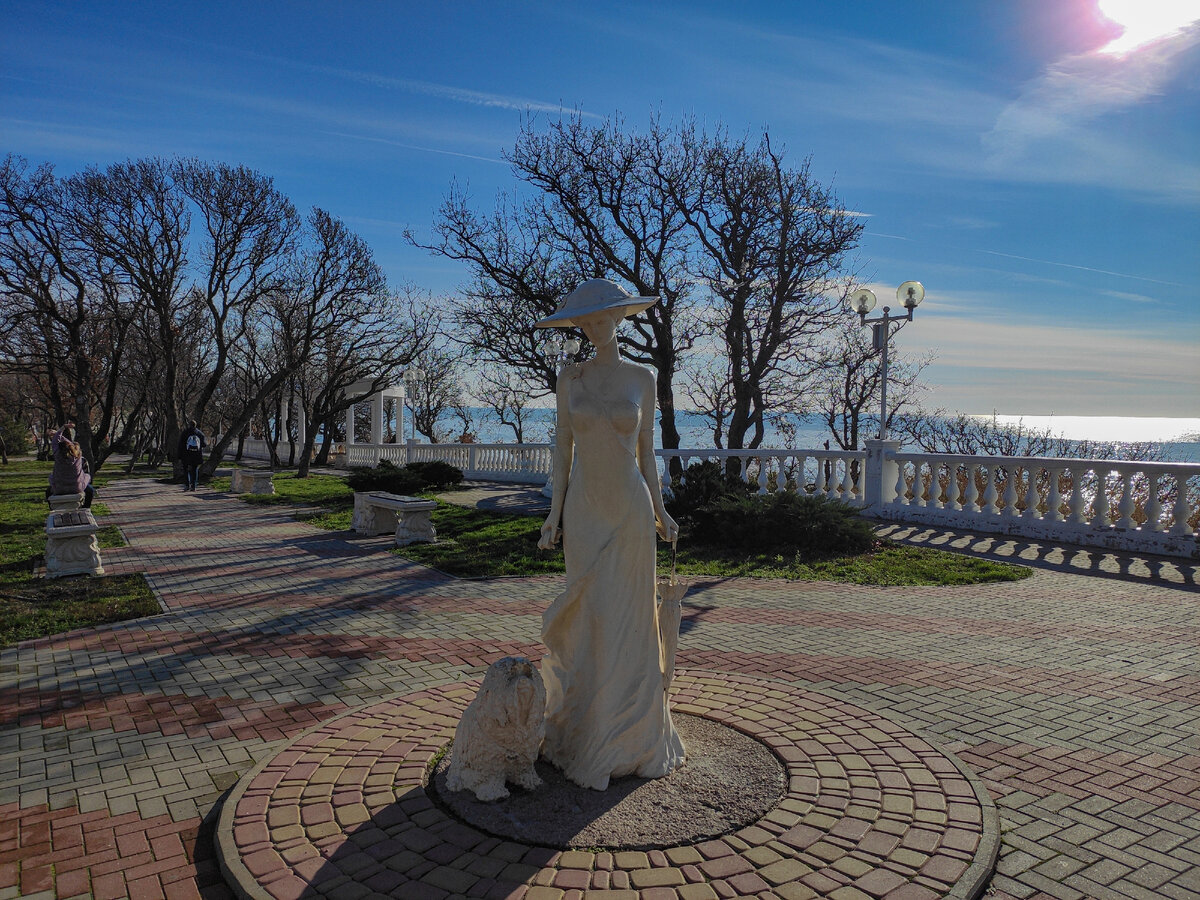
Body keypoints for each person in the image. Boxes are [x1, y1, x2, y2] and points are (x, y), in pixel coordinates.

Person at [535, 279, 684, 791]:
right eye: (586, 322)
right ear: (579, 326)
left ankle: (634, 735)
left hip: (631, 510)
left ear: (621, 318)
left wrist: (662, 511)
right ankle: (588, 725)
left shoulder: (643, 378)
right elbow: (562, 449)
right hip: (584, 510)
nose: (596, 328)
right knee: (591, 614)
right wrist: (552, 515)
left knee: (630, 617)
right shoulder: (569, 380)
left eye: (604, 318)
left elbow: (648, 455)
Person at [47, 423, 94, 508]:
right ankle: (86, 508)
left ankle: (51, 509)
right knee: (87, 476)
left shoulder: (57, 456)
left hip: (59, 488)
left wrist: (62, 429)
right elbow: (70, 444)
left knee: (50, 479)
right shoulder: (78, 457)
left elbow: (56, 442)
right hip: (76, 488)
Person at [178, 420, 206, 491]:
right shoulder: (200, 433)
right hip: (196, 455)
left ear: (189, 425)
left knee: (185, 469)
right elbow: (204, 444)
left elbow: (180, 444)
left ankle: (187, 485)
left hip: (186, 454)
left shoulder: (185, 433)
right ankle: (194, 486)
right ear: (195, 425)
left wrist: (179, 455)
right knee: (194, 469)